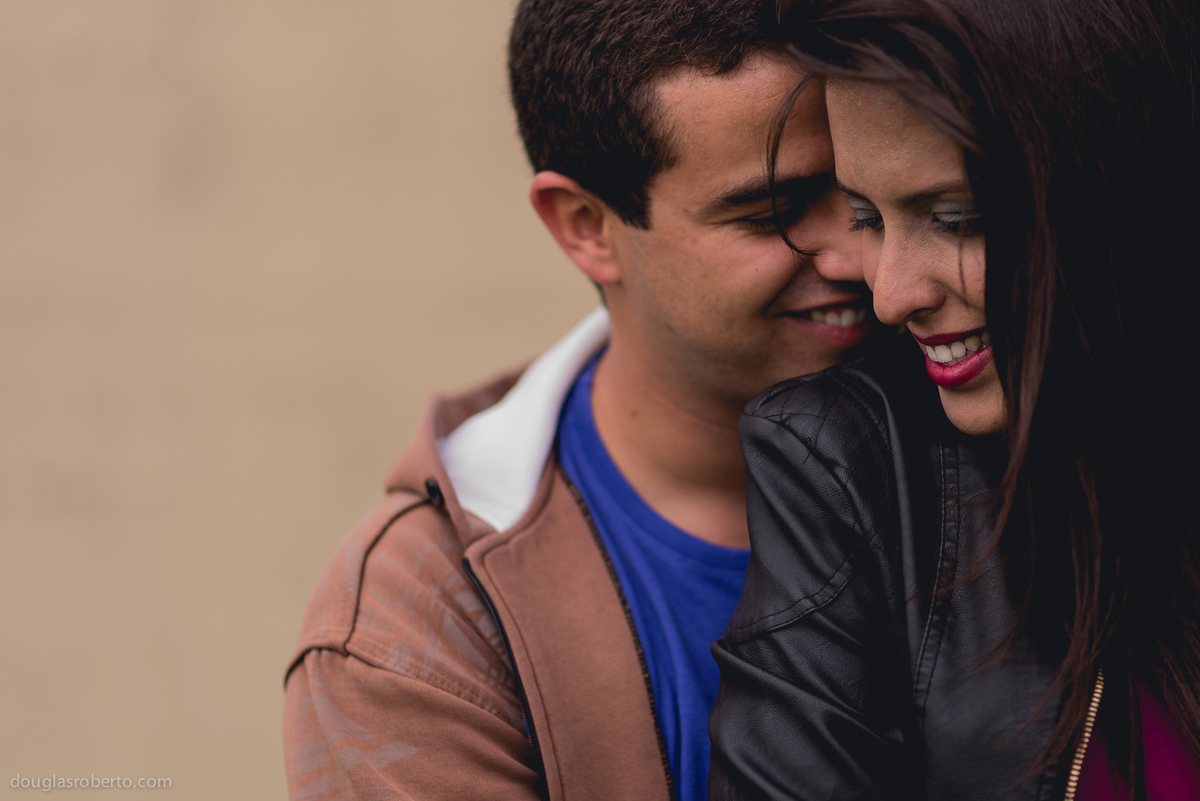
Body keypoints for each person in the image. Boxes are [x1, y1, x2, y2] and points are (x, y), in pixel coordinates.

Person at [282, 0, 871, 799]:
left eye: (878, 194)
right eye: (773, 213)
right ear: (586, 225)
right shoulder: (418, 626)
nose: (862, 255)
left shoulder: (1040, 452)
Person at [709, 0, 1199, 798]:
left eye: (956, 219)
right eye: (867, 215)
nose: (891, 294)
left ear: (1125, 186)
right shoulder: (850, 463)